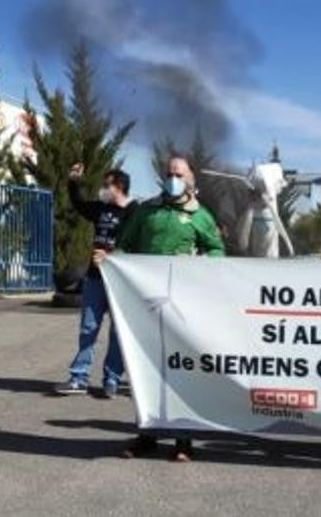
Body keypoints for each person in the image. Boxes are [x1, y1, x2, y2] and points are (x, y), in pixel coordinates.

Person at [116, 155, 225, 463]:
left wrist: (202, 263)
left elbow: (218, 250)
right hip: (145, 304)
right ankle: (146, 434)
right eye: (168, 173)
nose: (172, 177)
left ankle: (183, 439)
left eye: (179, 173)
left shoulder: (200, 216)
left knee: (179, 370)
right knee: (144, 369)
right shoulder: (146, 211)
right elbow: (125, 245)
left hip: (183, 307)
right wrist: (109, 260)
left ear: (190, 179)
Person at [56, 163, 136, 398]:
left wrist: (112, 257)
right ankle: (78, 377)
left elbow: (137, 246)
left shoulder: (135, 212)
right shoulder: (101, 208)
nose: (103, 189)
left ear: (119, 187)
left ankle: (112, 379)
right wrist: (73, 182)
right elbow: (79, 204)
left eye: (107, 185)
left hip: (121, 282)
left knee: (117, 332)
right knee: (88, 328)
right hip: (94, 278)